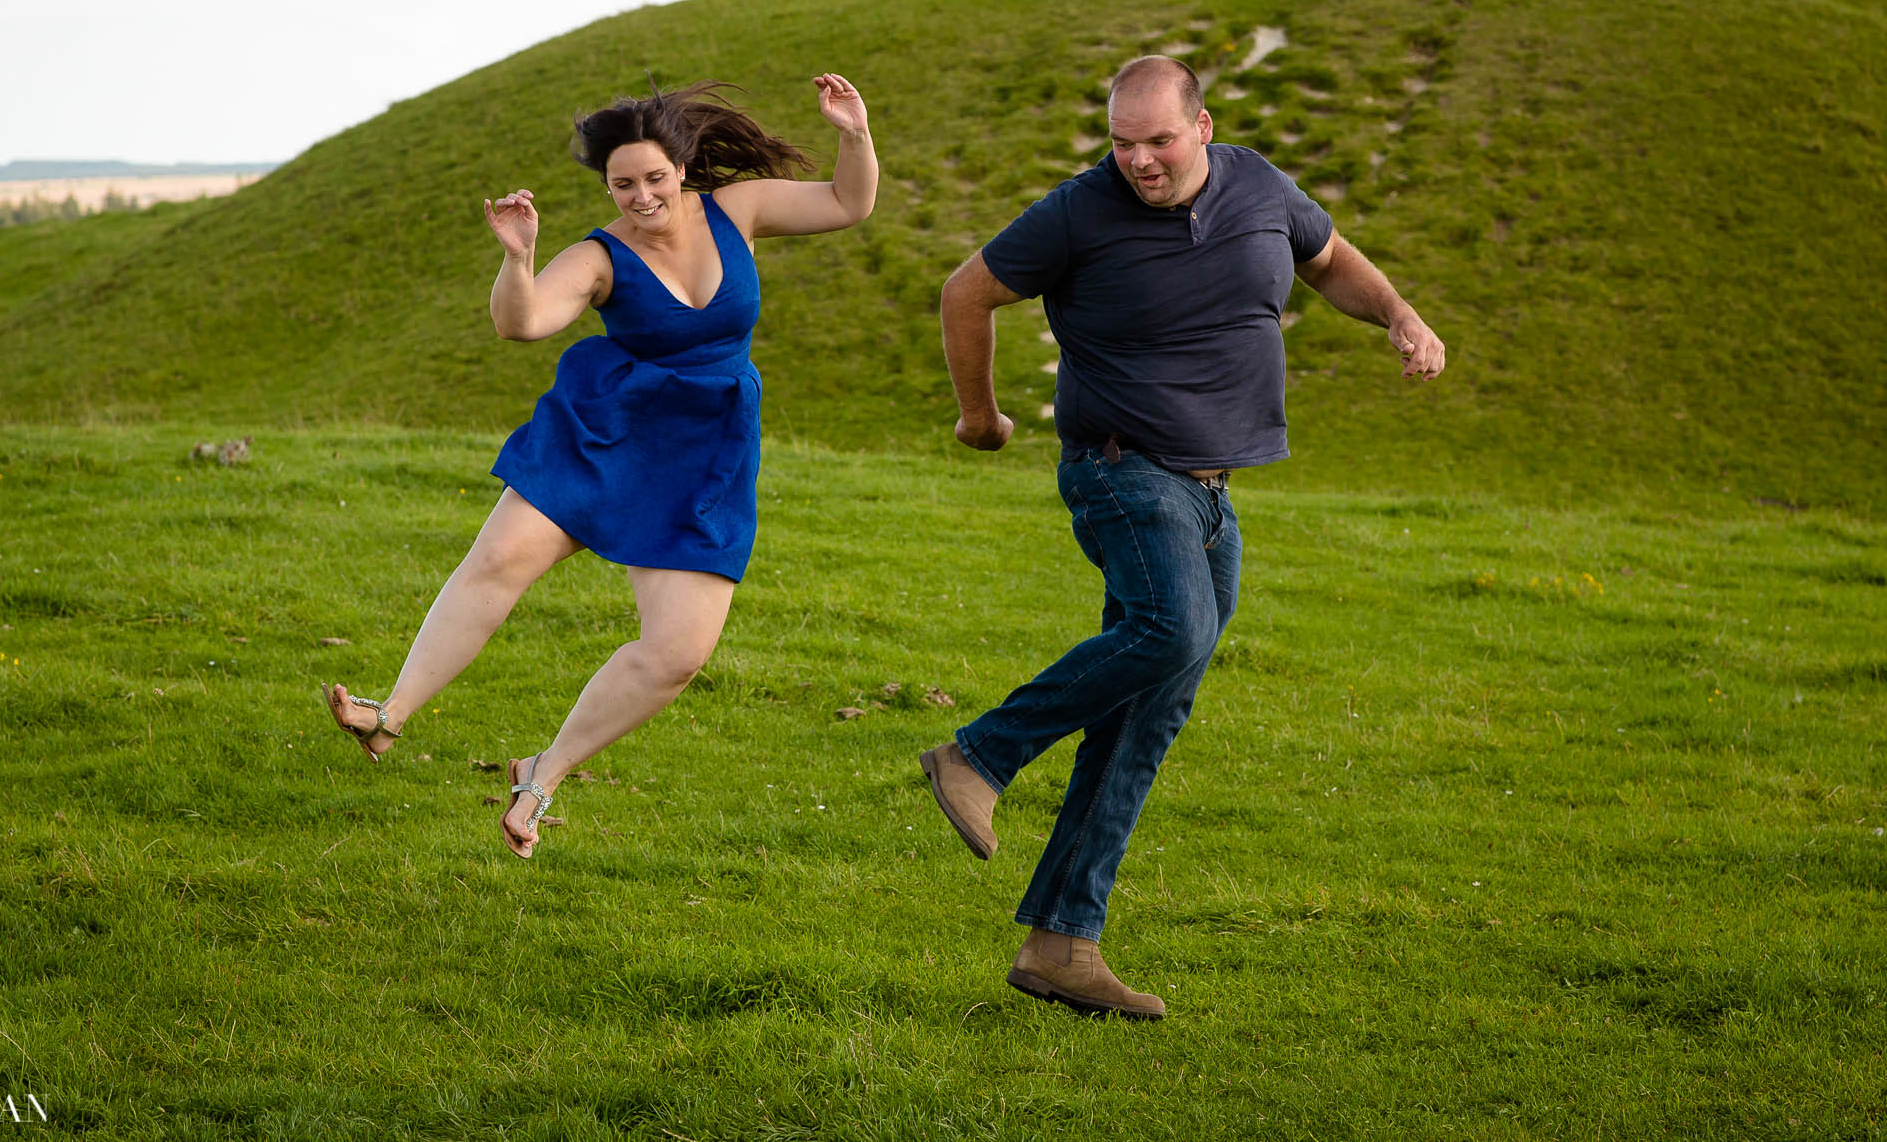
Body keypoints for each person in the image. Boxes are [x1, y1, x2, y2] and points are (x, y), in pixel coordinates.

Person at [921, 55, 1445, 1019]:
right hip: (1122, 467)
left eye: (1157, 140)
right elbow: (967, 291)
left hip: (1213, 491)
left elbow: (1330, 263)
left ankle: (1062, 942)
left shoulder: (1259, 186)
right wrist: (979, 416)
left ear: (1202, 128)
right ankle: (979, 756)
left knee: (1148, 713)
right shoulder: (1078, 210)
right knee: (1168, 629)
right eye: (1121, 143)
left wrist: (1400, 315)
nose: (1138, 161)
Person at [326, 74, 877, 858]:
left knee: (678, 654)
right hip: (610, 428)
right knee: (499, 558)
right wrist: (518, 260)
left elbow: (847, 203)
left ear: (682, 166)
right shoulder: (598, 254)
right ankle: (390, 713)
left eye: (654, 177)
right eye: (623, 183)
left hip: (706, 449)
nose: (642, 196)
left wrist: (852, 134)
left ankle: (540, 776)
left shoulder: (738, 210)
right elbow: (524, 323)